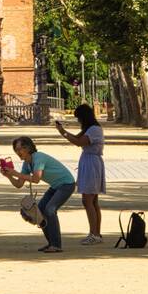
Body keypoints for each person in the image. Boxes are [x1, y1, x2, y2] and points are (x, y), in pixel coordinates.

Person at [1, 135, 76, 254]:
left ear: (29, 148)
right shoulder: (27, 163)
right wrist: (9, 175)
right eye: (16, 150)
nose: (18, 152)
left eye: (21, 149)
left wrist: (15, 172)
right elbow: (19, 184)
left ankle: (56, 244)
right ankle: (51, 243)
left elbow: (36, 179)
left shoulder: (38, 157)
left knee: (50, 210)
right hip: (56, 186)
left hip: (66, 184)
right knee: (40, 211)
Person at [55, 104, 106, 244]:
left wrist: (63, 132)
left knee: (88, 200)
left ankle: (94, 234)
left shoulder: (94, 129)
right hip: (88, 162)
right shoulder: (89, 129)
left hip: (91, 163)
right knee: (93, 201)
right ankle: (96, 233)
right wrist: (63, 131)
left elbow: (78, 142)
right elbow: (76, 138)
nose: (78, 121)